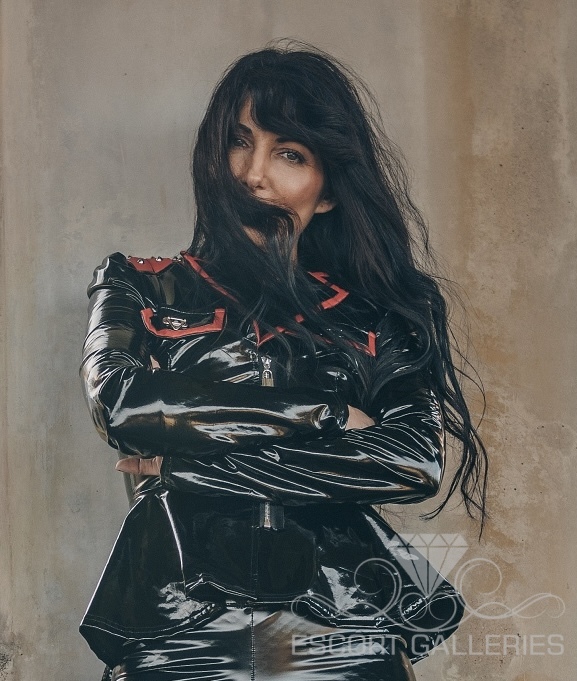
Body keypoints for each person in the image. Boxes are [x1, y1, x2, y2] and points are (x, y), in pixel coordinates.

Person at [80, 42, 487, 681]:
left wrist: (190, 467)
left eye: (289, 154)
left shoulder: (377, 317)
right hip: (179, 631)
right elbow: (123, 405)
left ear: (327, 192)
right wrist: (327, 414)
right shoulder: (138, 283)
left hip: (344, 630)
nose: (252, 174)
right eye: (239, 143)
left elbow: (411, 461)